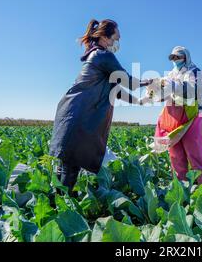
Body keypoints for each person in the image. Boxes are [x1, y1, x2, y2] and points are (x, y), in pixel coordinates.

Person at [49, 19, 151, 196]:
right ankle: (60, 208)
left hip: (76, 113)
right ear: (105, 37)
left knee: (69, 165)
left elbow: (117, 91)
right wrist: (148, 82)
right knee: (70, 166)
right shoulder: (103, 56)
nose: (117, 43)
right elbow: (127, 80)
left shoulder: (97, 56)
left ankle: (60, 203)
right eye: (115, 38)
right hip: (78, 115)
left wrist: (140, 101)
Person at [150, 46, 202, 186]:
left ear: (186, 57)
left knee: (194, 150)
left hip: (192, 114)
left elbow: (195, 92)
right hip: (174, 114)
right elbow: (164, 94)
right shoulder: (171, 74)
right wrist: (155, 90)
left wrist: (173, 86)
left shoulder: (194, 72)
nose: (175, 60)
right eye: (173, 57)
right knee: (175, 152)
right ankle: (181, 189)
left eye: (178, 57)